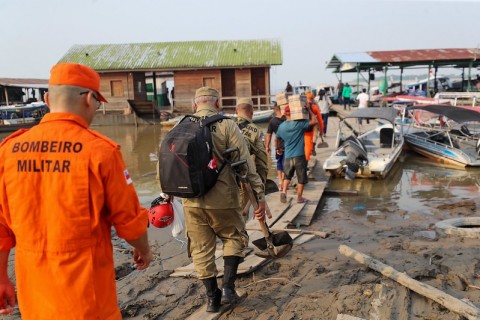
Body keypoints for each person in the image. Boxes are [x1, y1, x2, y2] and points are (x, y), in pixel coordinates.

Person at [0, 62, 152, 319]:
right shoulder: (101, 152)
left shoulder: (9, 150)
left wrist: (3, 276)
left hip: (34, 295)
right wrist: (144, 249)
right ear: (90, 99)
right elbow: (129, 220)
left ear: (47, 99)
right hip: (86, 295)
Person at [182, 87, 266, 312]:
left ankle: (212, 299)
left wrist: (165, 198)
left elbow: (166, 167)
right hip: (224, 199)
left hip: (190, 201)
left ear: (194, 105)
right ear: (217, 104)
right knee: (234, 238)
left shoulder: (180, 125)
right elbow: (246, 163)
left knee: (200, 249)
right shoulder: (227, 124)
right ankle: (228, 289)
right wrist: (259, 195)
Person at [235, 98, 269, 216]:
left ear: (236, 111)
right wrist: (260, 192)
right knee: (239, 225)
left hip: (220, 183)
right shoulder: (256, 132)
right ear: (252, 112)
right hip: (242, 182)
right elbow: (262, 164)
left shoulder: (225, 127)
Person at [276, 105, 317, 204]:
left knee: (287, 176)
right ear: (294, 113)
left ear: (285, 114)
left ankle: (284, 192)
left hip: (288, 155)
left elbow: (276, 138)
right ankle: (299, 198)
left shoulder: (281, 127)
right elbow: (314, 121)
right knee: (301, 178)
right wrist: (309, 110)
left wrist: (278, 148)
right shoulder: (299, 123)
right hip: (299, 155)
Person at [266, 103, 286, 189]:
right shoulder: (287, 119)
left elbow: (269, 134)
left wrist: (267, 146)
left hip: (278, 145)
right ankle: (284, 181)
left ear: (275, 110)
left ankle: (280, 181)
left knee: (279, 162)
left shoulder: (272, 121)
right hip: (288, 145)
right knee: (286, 164)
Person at [305, 92, 324, 159]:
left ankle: (311, 147)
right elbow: (320, 120)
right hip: (313, 125)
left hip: (303, 127)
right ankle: (313, 145)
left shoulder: (302, 107)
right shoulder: (315, 107)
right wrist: (321, 131)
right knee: (315, 133)